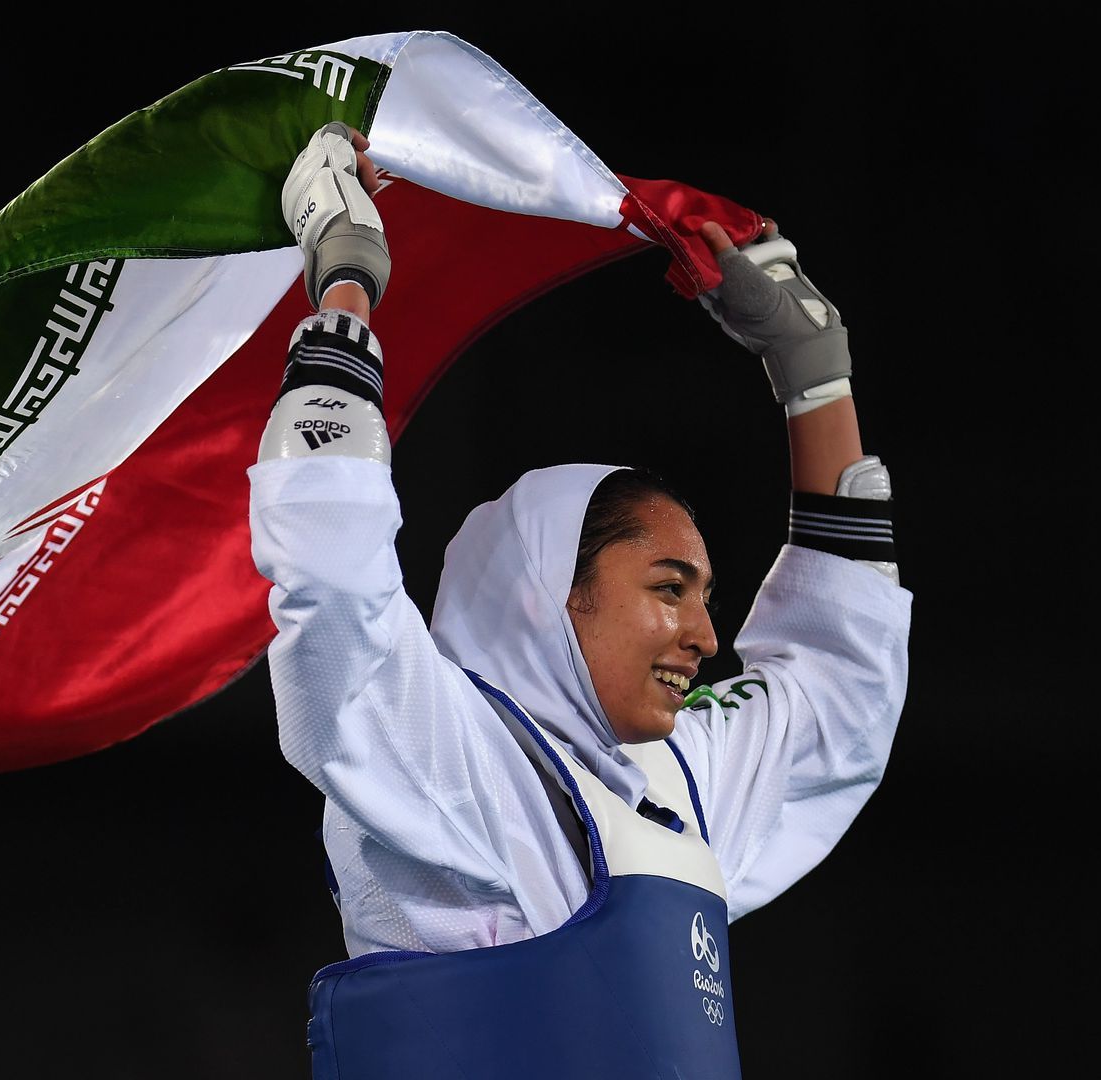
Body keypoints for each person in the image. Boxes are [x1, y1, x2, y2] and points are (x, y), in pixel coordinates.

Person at [248, 123, 912, 1078]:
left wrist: (817, 370)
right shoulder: (451, 756)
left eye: (704, 598)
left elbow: (840, 691)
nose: (703, 636)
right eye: (667, 590)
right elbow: (331, 566)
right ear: (551, 598)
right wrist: (346, 273)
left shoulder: (677, 788)